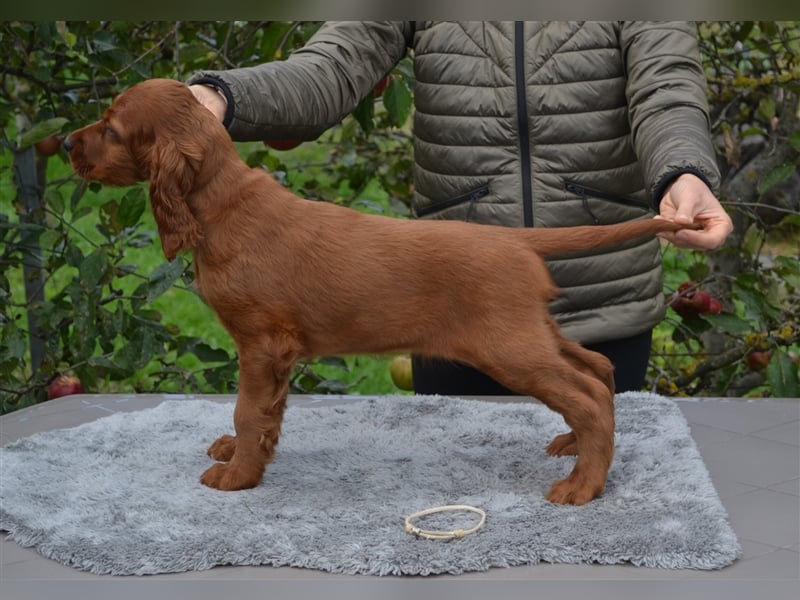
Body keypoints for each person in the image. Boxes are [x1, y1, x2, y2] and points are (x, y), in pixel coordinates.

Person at [186, 21, 733, 395]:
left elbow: (666, 87)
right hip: (448, 304)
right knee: (454, 525)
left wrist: (683, 171)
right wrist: (222, 96)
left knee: (600, 512)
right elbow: (329, 69)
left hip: (598, 297)